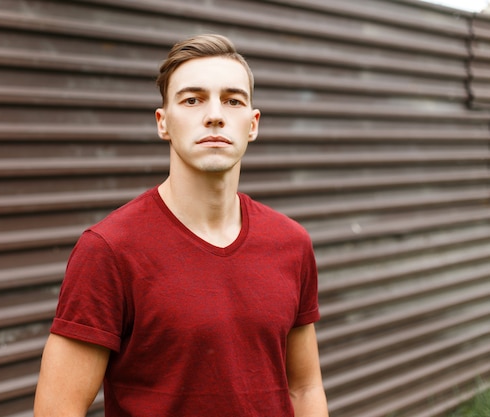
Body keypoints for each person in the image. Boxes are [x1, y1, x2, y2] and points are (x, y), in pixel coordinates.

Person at [34, 33, 329, 417]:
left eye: (232, 100)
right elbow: (58, 410)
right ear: (163, 123)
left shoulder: (290, 242)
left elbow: (304, 389)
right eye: (192, 100)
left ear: (252, 124)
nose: (214, 114)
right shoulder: (110, 249)